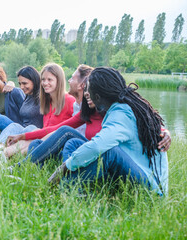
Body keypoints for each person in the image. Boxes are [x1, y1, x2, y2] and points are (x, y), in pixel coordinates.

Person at [49, 67, 169, 196]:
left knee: (110, 153)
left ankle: (67, 186)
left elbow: (97, 146)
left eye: (88, 90)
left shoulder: (122, 113)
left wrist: (65, 167)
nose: (85, 94)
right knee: (74, 143)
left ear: (97, 97)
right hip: (136, 172)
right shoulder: (125, 106)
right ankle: (76, 183)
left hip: (152, 190)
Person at [4, 63, 76, 157]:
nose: (45, 83)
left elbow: (76, 127)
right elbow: (44, 130)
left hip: (59, 142)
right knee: (33, 134)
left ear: (59, 81)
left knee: (34, 137)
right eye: (43, 80)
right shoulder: (47, 102)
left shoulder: (69, 100)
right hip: (45, 139)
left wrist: (24, 135)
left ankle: (9, 156)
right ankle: (3, 154)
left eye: (49, 79)